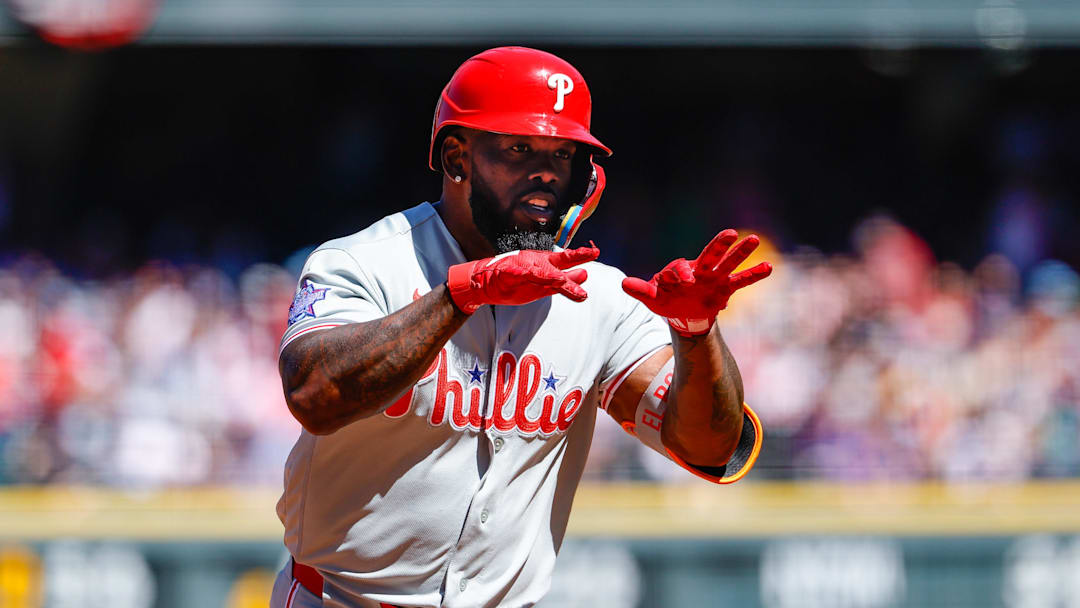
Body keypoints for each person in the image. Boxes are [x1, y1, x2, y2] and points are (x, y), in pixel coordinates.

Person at [269, 46, 773, 608]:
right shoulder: (366, 262)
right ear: (456, 157)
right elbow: (314, 396)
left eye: (563, 153)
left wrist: (696, 331)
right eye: (517, 148)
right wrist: (465, 292)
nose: (545, 172)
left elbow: (708, 446)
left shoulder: (599, 296)